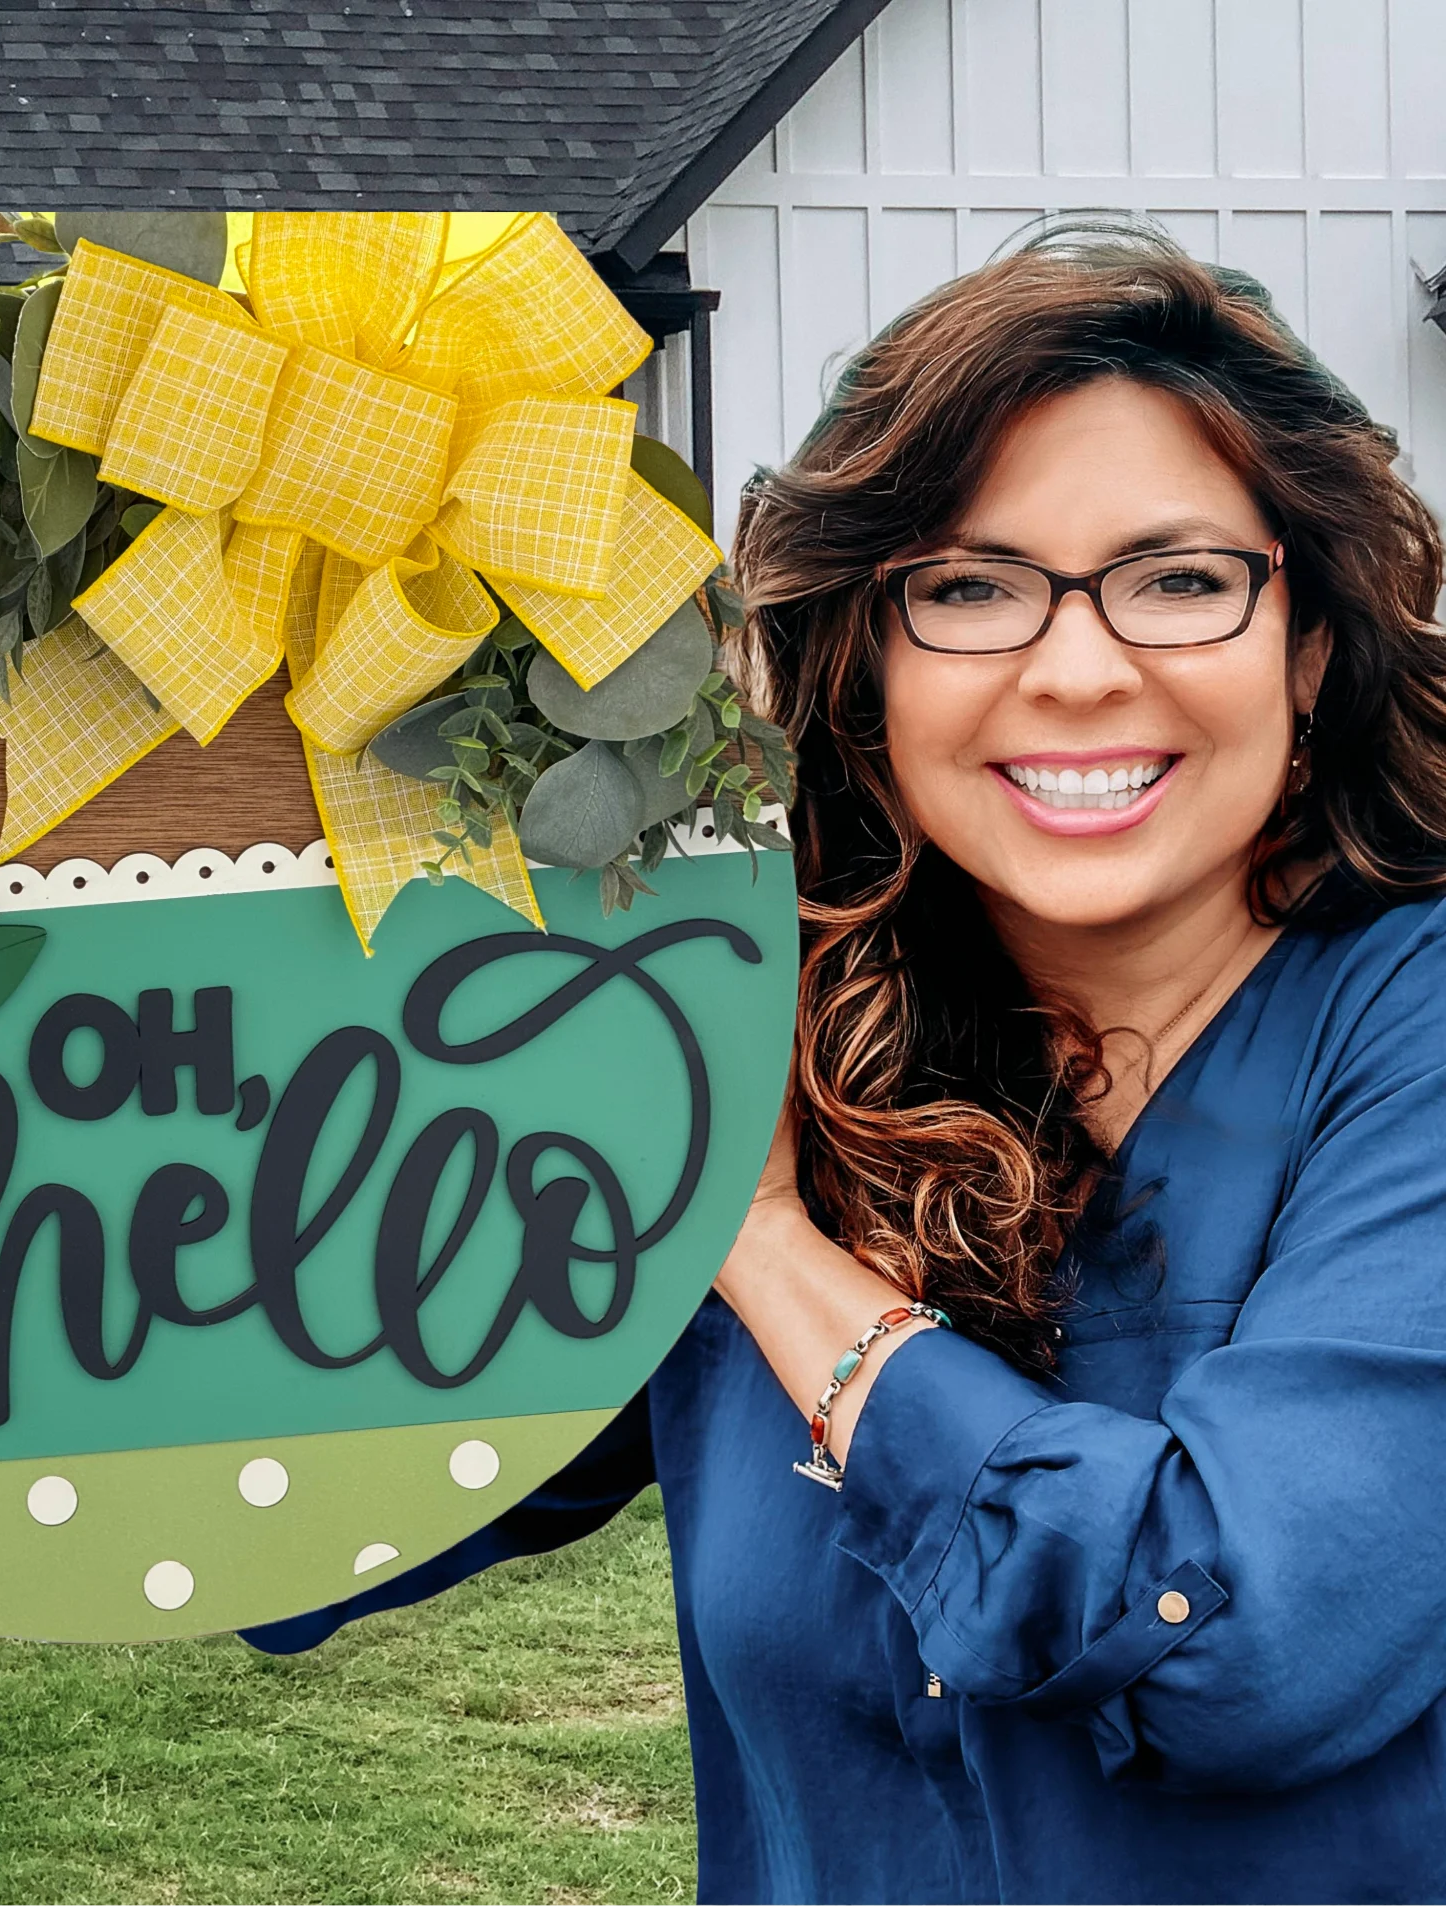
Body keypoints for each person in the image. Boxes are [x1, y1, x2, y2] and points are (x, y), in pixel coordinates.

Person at [243, 226, 1446, 1904]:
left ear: (1306, 647)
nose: (1077, 668)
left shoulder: (1408, 1037)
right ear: (866, 667)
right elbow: (305, 1508)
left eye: (1180, 581)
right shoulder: (765, 1033)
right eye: (969, 588)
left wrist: (763, 1245)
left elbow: (1241, 1645)